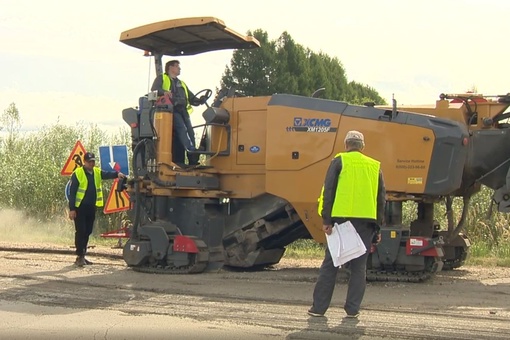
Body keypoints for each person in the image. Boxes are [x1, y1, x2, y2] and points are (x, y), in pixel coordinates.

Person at [308, 130, 386, 319]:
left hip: (341, 222)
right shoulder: (374, 166)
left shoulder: (339, 161)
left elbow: (329, 191)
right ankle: (352, 309)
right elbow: (381, 199)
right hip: (366, 223)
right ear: (362, 147)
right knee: (359, 268)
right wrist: (378, 228)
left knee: (331, 264)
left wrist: (326, 220)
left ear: (346, 145)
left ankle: (319, 309)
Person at [68, 152, 126, 266]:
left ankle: (83, 255)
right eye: (89, 161)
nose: (92, 163)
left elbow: (107, 174)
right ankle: (80, 256)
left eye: (93, 161)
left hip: (91, 207)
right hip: (80, 208)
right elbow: (72, 193)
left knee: (88, 231)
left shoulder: (96, 172)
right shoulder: (78, 173)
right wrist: (72, 209)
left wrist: (117, 174)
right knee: (81, 231)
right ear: (84, 162)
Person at [151, 60, 207, 165]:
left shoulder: (181, 84)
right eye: (177, 66)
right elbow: (154, 89)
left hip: (183, 111)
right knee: (182, 130)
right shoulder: (162, 78)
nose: (179, 68)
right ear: (170, 68)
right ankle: (191, 150)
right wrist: (164, 92)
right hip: (171, 111)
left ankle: (193, 159)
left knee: (190, 132)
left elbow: (191, 98)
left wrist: (200, 100)